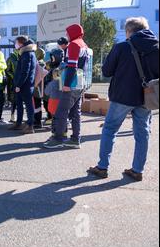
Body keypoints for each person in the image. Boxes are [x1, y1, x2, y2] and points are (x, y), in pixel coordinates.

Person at [88, 17, 159, 182]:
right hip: (146, 98)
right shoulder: (157, 48)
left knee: (110, 129)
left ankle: (102, 167)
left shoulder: (121, 47)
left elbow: (106, 71)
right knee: (142, 134)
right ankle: (137, 170)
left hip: (122, 96)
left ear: (129, 31)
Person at [44, 24, 90, 149]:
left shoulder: (74, 45)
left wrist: (66, 85)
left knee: (61, 112)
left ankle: (58, 138)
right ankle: (75, 139)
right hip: (80, 83)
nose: (67, 35)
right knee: (76, 112)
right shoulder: (84, 45)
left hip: (71, 84)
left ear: (73, 33)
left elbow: (72, 67)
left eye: (68, 33)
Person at [9, 36, 37, 134]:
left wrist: (18, 85)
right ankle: (19, 123)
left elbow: (25, 72)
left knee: (28, 105)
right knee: (20, 104)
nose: (15, 44)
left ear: (21, 43)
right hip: (24, 85)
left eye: (16, 42)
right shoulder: (26, 53)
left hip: (25, 85)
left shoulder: (27, 54)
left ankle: (30, 125)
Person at [5, 49, 20, 123]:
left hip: (21, 82)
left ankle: (20, 117)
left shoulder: (22, 57)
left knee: (20, 100)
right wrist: (14, 77)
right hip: (12, 82)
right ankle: (12, 116)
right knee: (14, 100)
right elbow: (7, 70)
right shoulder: (10, 58)